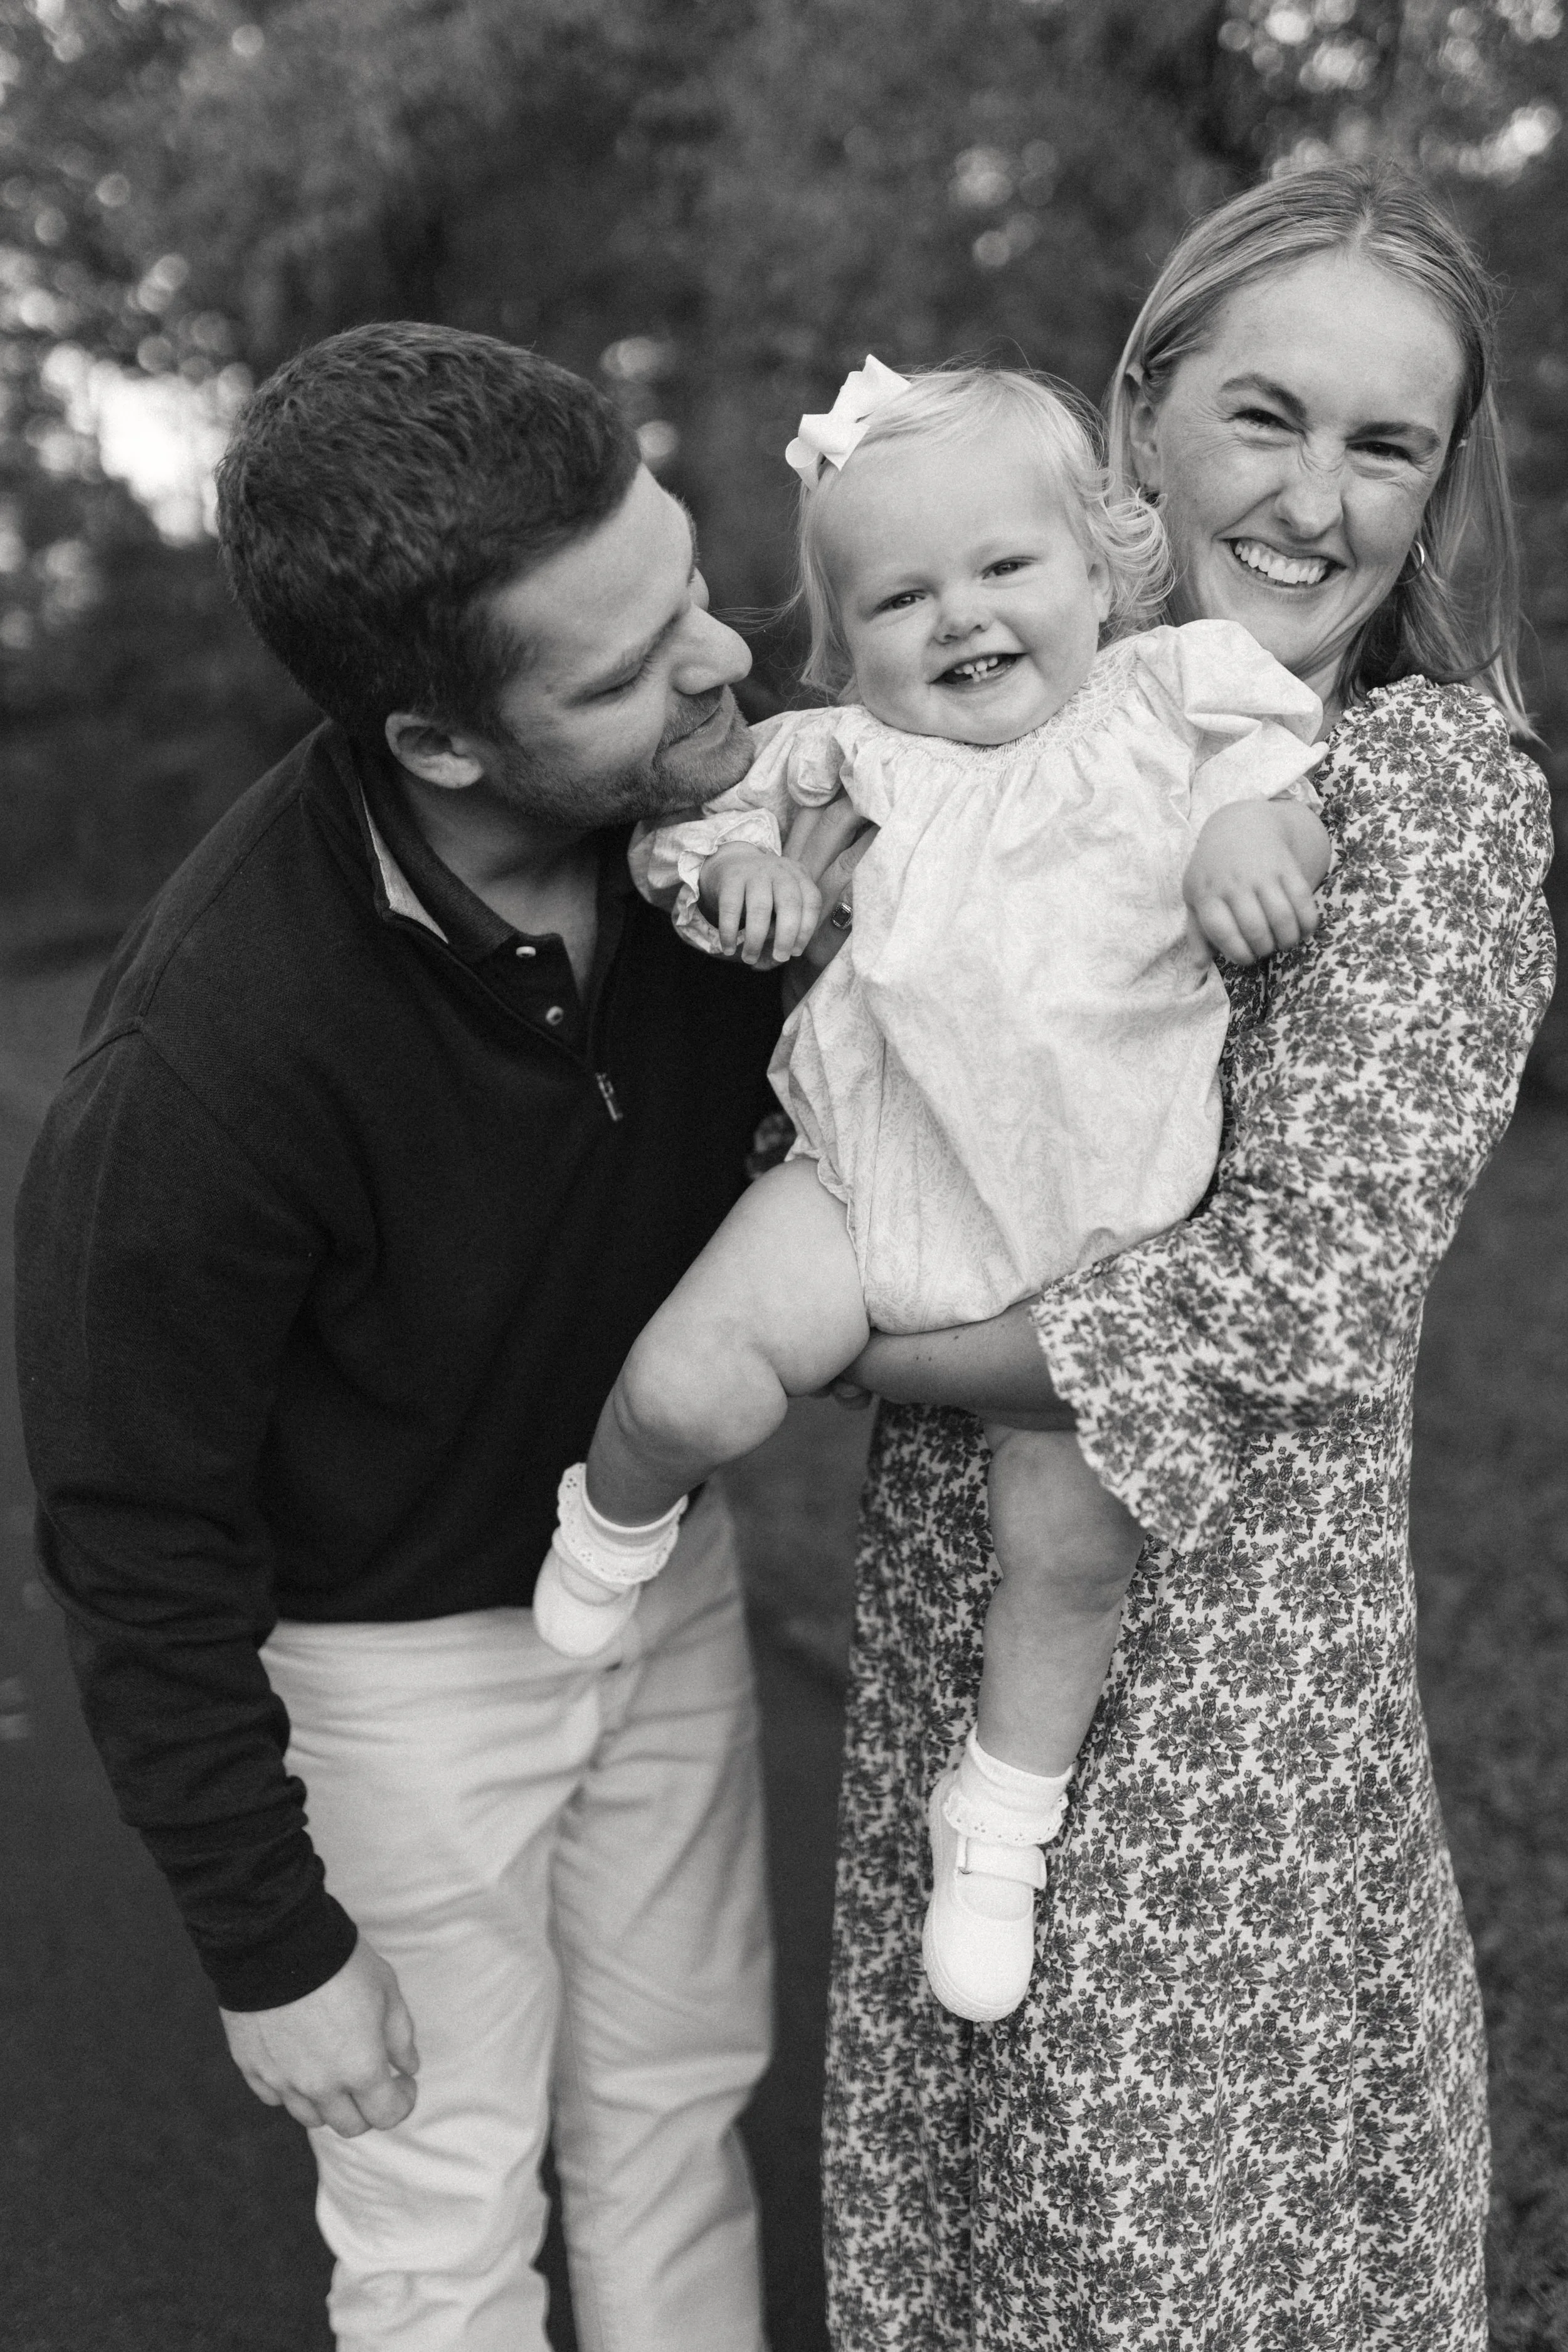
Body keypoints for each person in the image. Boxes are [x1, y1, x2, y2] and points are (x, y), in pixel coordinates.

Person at [12, 322, 845, 2352]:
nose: (728, 662)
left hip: (658, 1587)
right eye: (630, 664)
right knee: (444, 2227)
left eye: (691, 586)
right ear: (443, 743)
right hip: (391, 1685)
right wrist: (267, 1943)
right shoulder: (204, 1072)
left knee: (675, 2121)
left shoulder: (730, 830)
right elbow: (135, 1539)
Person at [815, 162, 1555, 2347]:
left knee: (1159, 2266)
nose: (1316, 498)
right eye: (1263, 415)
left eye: (1384, 443)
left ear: (1438, 494)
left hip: (1219, 1700)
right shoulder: (1011, 719)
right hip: (953, 1620)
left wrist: (858, 1329)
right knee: (958, 2237)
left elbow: (1295, 1302)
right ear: (1136, 418)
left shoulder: (1428, 792)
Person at [534, 360, 1331, 2029]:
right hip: (867, 1174)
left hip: (1092, 1227)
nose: (956, 616)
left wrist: (1244, 846)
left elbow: (1274, 795)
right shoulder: (839, 760)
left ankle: (1001, 1816)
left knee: (1065, 1555)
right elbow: (686, 834)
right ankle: (609, 1512)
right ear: (844, 643)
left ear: (1099, 570)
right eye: (899, 597)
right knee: (690, 1369)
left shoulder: (1175, 697)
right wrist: (745, 870)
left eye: (999, 569)